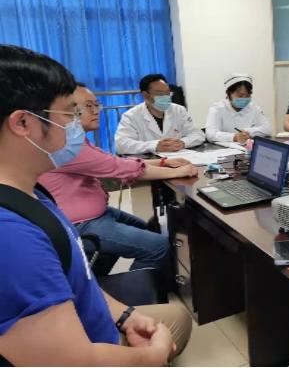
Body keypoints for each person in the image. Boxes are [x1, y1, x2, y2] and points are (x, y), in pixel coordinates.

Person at [0, 45, 191, 365]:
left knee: (178, 316)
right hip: (90, 344)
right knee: (170, 305)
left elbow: (80, 280)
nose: (76, 123)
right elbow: (70, 362)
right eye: (69, 114)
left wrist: (124, 315)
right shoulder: (12, 236)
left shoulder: (33, 193)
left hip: (95, 316)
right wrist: (152, 357)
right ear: (23, 123)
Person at [38, 83, 199, 273]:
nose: (96, 111)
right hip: (81, 223)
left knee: (151, 229)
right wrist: (178, 171)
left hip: (97, 214)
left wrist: (163, 162)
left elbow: (110, 161)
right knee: (158, 246)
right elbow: (116, 166)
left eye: (96, 105)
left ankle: (108, 281)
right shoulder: (63, 144)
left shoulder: (75, 139)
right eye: (88, 106)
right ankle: (137, 290)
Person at [115, 74, 205, 154]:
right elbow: (121, 145)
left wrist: (183, 142)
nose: (166, 97)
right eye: (160, 94)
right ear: (145, 95)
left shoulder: (179, 110)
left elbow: (198, 134)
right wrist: (154, 145)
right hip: (149, 162)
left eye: (168, 93)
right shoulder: (131, 116)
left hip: (179, 158)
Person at [205, 74, 272, 143]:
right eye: (240, 95)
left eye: (248, 95)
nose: (244, 99)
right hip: (223, 148)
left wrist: (248, 132)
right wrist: (234, 137)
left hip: (247, 147)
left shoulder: (253, 108)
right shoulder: (217, 108)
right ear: (229, 94)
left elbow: (268, 129)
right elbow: (210, 134)